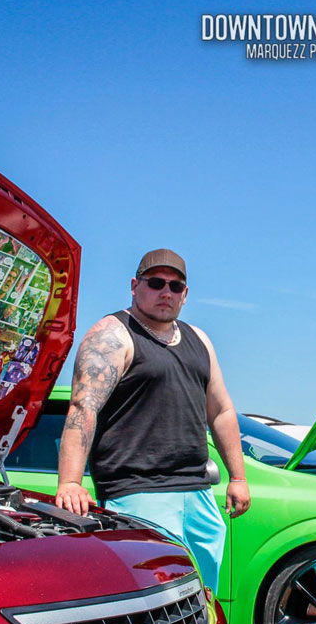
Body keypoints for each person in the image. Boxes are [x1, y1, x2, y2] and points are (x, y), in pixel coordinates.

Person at [55, 248, 250, 591]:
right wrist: (71, 482)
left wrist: (238, 476)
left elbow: (221, 411)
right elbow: (83, 408)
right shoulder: (112, 335)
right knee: (152, 600)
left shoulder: (199, 340)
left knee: (202, 599)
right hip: (138, 494)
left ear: (185, 295)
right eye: (156, 282)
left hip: (197, 493)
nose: (166, 292)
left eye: (175, 287)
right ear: (135, 285)